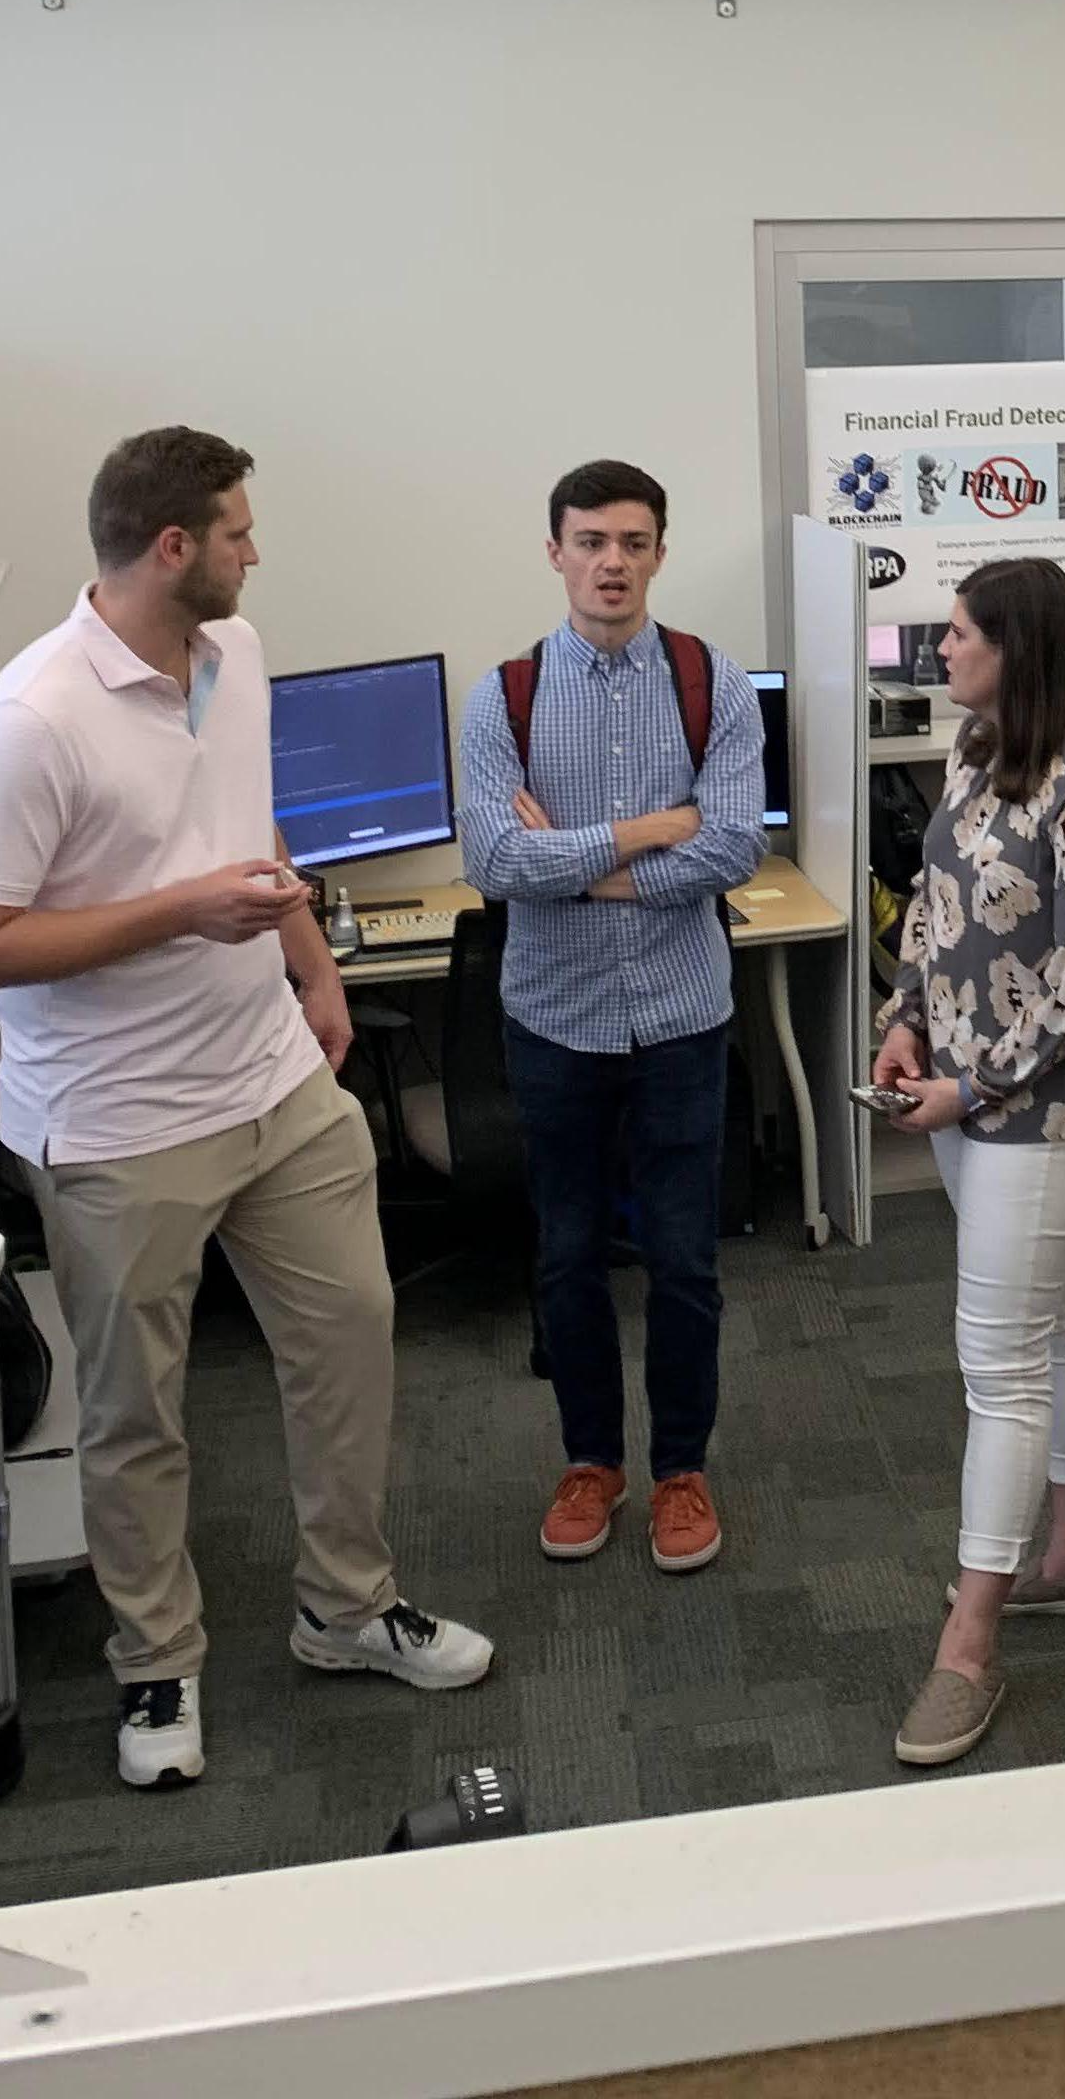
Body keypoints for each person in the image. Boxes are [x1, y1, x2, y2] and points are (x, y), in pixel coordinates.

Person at [0, 429, 492, 1795]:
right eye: (238, 530)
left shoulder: (233, 655)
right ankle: (155, 1664)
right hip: (120, 1123)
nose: (257, 550)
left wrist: (310, 963)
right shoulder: (33, 721)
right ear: (171, 548)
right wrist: (182, 914)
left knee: (353, 1334)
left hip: (275, 1079)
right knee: (138, 1412)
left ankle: (347, 1609)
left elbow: (253, 822)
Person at [873, 558, 1065, 1770]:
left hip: (1045, 1105)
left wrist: (973, 1083)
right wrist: (902, 1014)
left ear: (1018, 644)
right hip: (959, 1086)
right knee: (1057, 1314)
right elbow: (938, 911)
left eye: (956, 637)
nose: (939, 653)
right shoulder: (978, 744)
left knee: (998, 1365)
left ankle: (970, 1645)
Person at [457, 460, 772, 1578]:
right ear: (555, 552)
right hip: (556, 1023)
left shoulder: (712, 682)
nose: (611, 563)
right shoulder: (504, 696)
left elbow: (735, 843)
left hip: (682, 1019)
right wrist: (647, 835)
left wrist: (570, 861)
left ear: (658, 554)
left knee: (686, 1261)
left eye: (633, 542)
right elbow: (493, 858)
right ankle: (591, 1460)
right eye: (590, 540)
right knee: (569, 1257)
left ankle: (681, 1471)